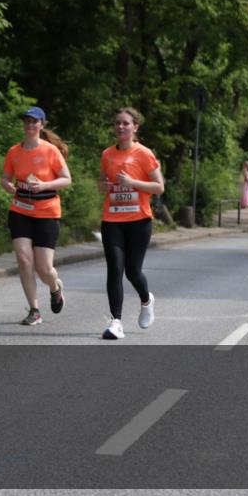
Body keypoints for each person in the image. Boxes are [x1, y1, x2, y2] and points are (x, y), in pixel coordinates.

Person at [1, 106, 72, 326]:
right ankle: (34, 310)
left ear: (42, 125)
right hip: (20, 210)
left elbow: (66, 179)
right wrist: (9, 187)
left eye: (35, 122)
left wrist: (44, 185)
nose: (30, 125)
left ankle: (55, 287)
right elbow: (4, 178)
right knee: (24, 260)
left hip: (47, 212)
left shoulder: (50, 151)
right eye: (27, 122)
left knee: (44, 268)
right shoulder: (14, 151)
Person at [97, 107, 164, 340]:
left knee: (133, 272)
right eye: (117, 123)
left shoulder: (144, 154)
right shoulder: (107, 154)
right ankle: (116, 322)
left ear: (135, 127)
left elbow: (159, 187)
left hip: (139, 220)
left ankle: (147, 300)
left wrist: (133, 182)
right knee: (115, 268)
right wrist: (103, 187)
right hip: (112, 219)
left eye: (126, 123)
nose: (121, 127)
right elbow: (102, 184)